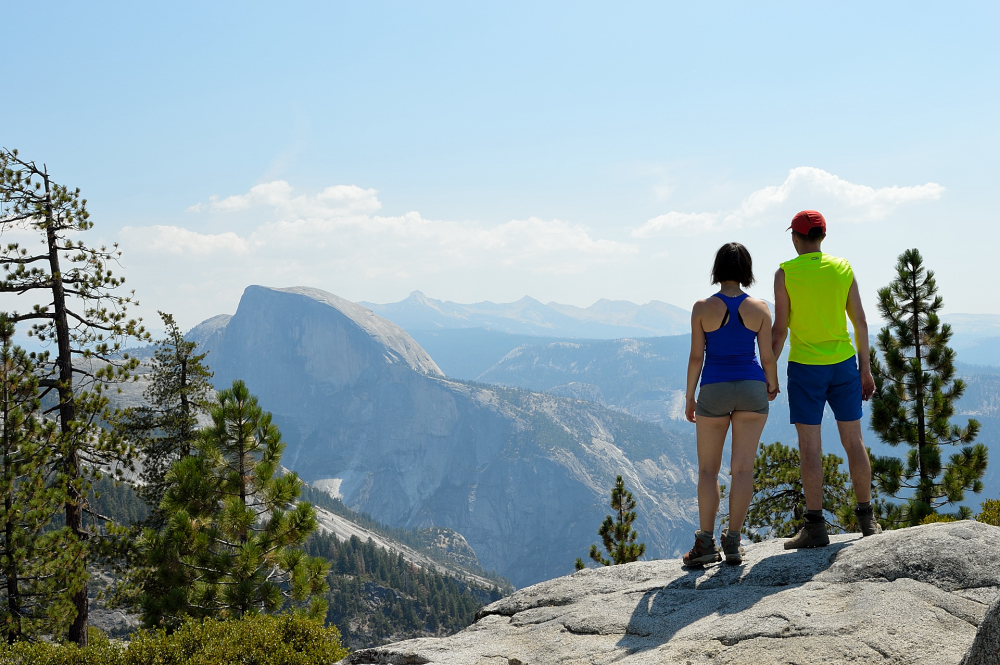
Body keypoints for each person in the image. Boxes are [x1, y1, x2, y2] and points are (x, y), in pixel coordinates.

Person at [771, 210, 880, 549]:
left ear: (795, 237)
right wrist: (865, 368)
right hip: (844, 364)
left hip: (806, 367)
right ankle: (867, 520)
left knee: (810, 447)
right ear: (823, 236)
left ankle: (815, 527)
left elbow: (780, 327)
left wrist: (768, 372)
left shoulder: (785, 273)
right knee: (854, 441)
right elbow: (860, 321)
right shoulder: (843, 268)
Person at [683, 242, 779, 566]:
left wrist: (689, 397)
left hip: (714, 389)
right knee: (743, 470)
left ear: (717, 269)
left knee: (708, 470)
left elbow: (697, 356)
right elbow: (766, 356)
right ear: (746, 270)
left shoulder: (701, 308)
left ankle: (706, 543)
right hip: (752, 387)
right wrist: (773, 382)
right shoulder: (761, 308)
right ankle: (734, 542)